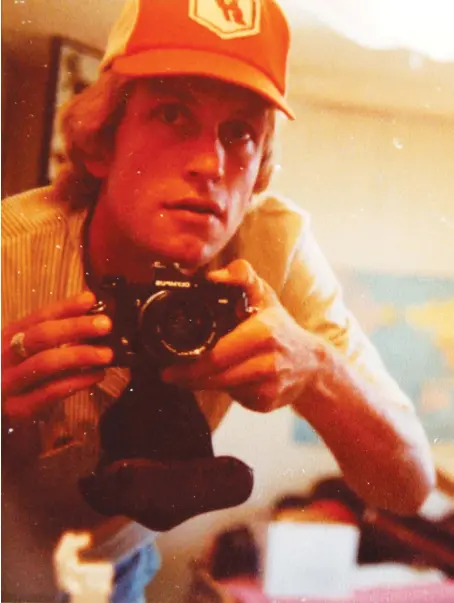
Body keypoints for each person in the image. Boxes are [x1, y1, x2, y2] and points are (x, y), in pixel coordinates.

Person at [2, 0, 436, 600]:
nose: (211, 164)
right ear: (102, 142)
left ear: (260, 169)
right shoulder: (10, 252)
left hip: (120, 560)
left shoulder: (272, 248)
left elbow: (409, 487)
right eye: (173, 113)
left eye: (240, 134)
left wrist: (317, 370)